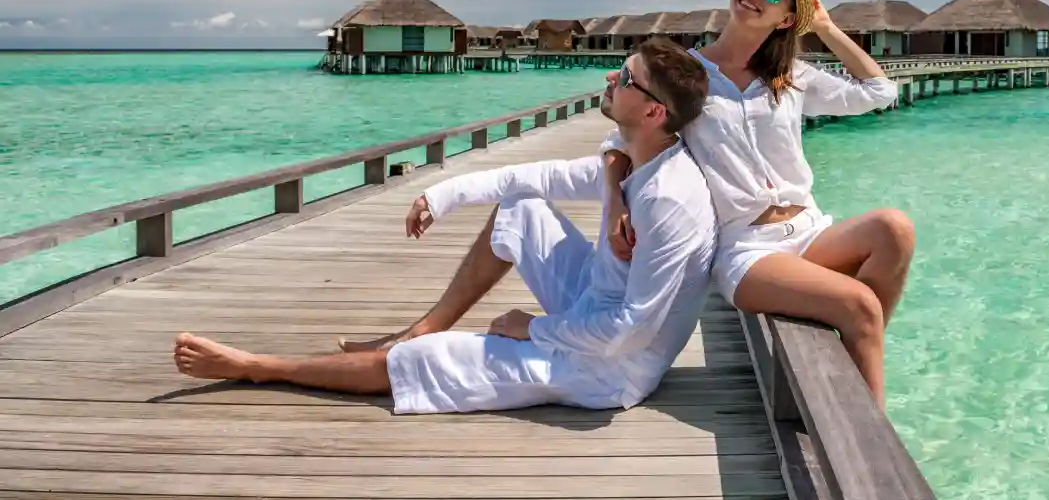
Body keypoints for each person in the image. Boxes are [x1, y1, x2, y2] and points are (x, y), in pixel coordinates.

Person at [173, 38, 716, 415]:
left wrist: (532, 328)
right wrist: (445, 192)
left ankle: (263, 367)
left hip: (609, 369)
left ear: (653, 113)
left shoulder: (669, 201)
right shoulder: (635, 154)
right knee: (520, 205)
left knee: (413, 364)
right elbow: (543, 174)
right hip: (593, 310)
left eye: (625, 78)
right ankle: (424, 326)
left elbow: (631, 333)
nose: (610, 77)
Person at [599, 0, 912, 407]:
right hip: (747, 248)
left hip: (809, 231)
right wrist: (616, 202)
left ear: (785, 19)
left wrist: (825, 27)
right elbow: (618, 140)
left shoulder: (792, 76)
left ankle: (848, 378)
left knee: (894, 229)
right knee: (861, 306)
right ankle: (874, 437)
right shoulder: (688, 74)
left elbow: (880, 92)